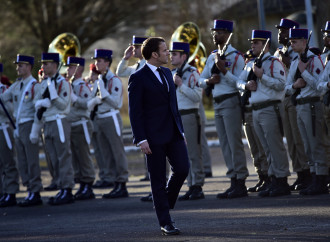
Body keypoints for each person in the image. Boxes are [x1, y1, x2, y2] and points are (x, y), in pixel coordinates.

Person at [128, 37, 189, 235]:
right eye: (164, 50)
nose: (168, 54)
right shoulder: (138, 77)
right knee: (158, 180)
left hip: (173, 133)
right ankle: (166, 222)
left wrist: (180, 130)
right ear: (154, 54)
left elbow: (173, 106)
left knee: (182, 169)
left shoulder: (166, 72)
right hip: (152, 137)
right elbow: (135, 112)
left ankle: (162, 202)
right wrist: (141, 138)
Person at [237, 30, 291, 197]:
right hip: (256, 109)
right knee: (266, 147)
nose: (252, 45)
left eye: (256, 43)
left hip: (270, 107)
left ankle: (282, 180)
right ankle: (273, 179)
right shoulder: (252, 63)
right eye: (252, 42)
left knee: (275, 145)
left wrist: (262, 77)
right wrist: (246, 86)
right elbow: (238, 81)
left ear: (266, 45)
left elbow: (281, 85)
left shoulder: (273, 63)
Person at [199, 19, 248, 199]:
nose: (215, 35)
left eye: (219, 32)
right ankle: (232, 179)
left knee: (234, 143)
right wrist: (209, 81)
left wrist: (224, 72)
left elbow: (240, 83)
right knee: (225, 144)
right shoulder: (212, 56)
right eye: (214, 32)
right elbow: (200, 79)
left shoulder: (236, 56)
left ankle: (240, 181)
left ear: (228, 34)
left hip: (231, 101)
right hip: (218, 102)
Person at [286, 28, 328, 195]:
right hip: (300, 105)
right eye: (291, 41)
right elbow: (287, 87)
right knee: (306, 145)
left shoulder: (314, 60)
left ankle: (322, 178)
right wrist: (295, 85)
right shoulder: (296, 62)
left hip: (312, 105)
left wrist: (305, 72)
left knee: (316, 143)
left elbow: (319, 85)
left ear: (305, 42)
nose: (292, 44)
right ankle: (313, 177)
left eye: (295, 41)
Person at [0, 55, 43, 207]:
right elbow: (4, 97)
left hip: (29, 124)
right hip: (18, 127)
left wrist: (35, 130)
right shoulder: (16, 85)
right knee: (23, 162)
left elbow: (39, 110)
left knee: (32, 160)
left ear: (29, 67)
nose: (18, 68)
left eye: (21, 65)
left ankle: (35, 191)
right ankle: (29, 189)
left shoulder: (34, 86)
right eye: (18, 65)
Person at [274, 19, 310, 191]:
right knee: (291, 139)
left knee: (299, 137)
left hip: (296, 96)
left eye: (284, 30)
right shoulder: (278, 52)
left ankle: (307, 173)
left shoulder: (298, 53)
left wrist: (288, 62)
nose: (280, 34)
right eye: (280, 30)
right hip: (284, 96)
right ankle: (299, 172)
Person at [35, 52, 75, 205]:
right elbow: (38, 102)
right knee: (52, 158)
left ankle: (67, 189)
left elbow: (64, 105)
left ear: (54, 65)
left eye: (46, 64)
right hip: (48, 123)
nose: (43, 67)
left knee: (63, 156)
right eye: (43, 64)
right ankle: (60, 185)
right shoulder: (44, 83)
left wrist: (53, 97)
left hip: (59, 121)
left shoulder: (62, 82)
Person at [90, 49, 129, 198]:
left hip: (111, 117)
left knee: (117, 151)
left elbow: (116, 103)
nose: (96, 63)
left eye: (99, 60)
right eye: (96, 60)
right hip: (100, 118)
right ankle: (113, 181)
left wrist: (104, 94)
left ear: (107, 62)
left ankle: (122, 182)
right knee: (106, 153)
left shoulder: (114, 80)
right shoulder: (100, 79)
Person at [170, 41, 204, 200]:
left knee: (193, 152)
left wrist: (181, 85)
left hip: (189, 115)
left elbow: (197, 96)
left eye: (174, 54)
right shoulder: (172, 73)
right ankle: (191, 185)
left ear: (184, 56)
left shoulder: (192, 73)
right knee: (183, 153)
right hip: (177, 117)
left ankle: (197, 185)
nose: (171, 56)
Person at [116, 35, 151, 182]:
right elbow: (120, 72)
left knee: (152, 144)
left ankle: (156, 175)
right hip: (140, 111)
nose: (134, 49)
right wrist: (125, 58)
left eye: (136, 47)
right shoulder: (136, 67)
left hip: (148, 110)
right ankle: (149, 173)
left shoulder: (148, 65)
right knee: (145, 143)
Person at [66, 57, 96, 200]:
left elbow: (88, 104)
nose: (68, 70)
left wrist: (74, 98)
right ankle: (82, 183)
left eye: (71, 67)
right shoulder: (71, 84)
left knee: (83, 155)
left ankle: (88, 184)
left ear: (79, 69)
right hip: (72, 124)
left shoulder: (81, 86)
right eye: (68, 67)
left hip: (81, 123)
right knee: (76, 156)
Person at [241, 51, 269, 193]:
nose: (247, 61)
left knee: (260, 146)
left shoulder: (258, 70)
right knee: (254, 149)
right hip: (245, 112)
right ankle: (261, 176)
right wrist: (245, 85)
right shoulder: (245, 72)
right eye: (246, 59)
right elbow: (238, 83)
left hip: (254, 110)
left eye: (250, 59)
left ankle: (267, 176)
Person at [87, 64, 112, 189]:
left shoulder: (101, 83)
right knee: (98, 150)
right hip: (94, 119)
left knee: (105, 150)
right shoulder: (93, 85)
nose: (90, 76)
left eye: (93, 74)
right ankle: (104, 175)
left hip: (100, 118)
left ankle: (108, 176)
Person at [0, 63, 20, 207]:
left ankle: (11, 192)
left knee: (8, 162)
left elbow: (10, 110)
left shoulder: (4, 89)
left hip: (4, 128)